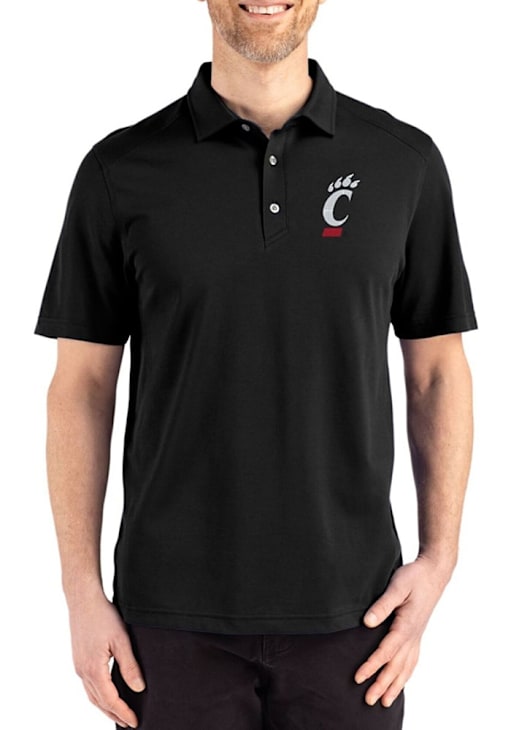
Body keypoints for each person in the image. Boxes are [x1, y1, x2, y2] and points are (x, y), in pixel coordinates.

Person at [34, 1, 477, 728]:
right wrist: (80, 591)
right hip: (167, 621)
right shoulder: (119, 170)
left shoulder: (404, 163)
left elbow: (437, 370)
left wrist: (440, 559)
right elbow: (81, 386)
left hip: (357, 618)